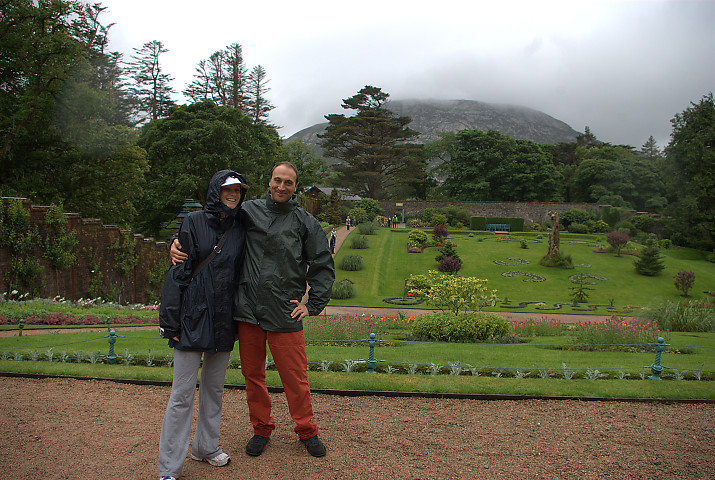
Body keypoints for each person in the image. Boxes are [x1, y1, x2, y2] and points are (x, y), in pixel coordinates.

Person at [170, 162, 335, 458]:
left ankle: (306, 429)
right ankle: (261, 428)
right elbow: (212, 223)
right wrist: (175, 241)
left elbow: (321, 263)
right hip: (247, 311)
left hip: (284, 312)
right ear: (269, 182)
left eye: (288, 182)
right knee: (253, 376)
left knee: (295, 378)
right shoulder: (249, 212)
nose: (281, 187)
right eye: (277, 180)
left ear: (296, 187)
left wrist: (312, 305)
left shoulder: (304, 222)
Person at [157, 170, 248, 480]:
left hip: (224, 319)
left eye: (238, 190)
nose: (233, 194)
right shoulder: (194, 222)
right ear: (216, 191)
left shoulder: (240, 226)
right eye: (228, 189)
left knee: (214, 389)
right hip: (192, 318)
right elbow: (178, 272)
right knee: (181, 394)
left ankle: (205, 447)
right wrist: (171, 322)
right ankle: (169, 466)